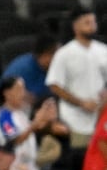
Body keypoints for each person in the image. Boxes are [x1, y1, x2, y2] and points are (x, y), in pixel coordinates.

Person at [45, 8, 107, 153]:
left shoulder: (103, 50)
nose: (92, 26)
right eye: (87, 22)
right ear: (76, 26)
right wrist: (81, 102)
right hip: (74, 119)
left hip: (101, 116)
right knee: (79, 158)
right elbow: (54, 85)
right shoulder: (64, 53)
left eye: (93, 22)